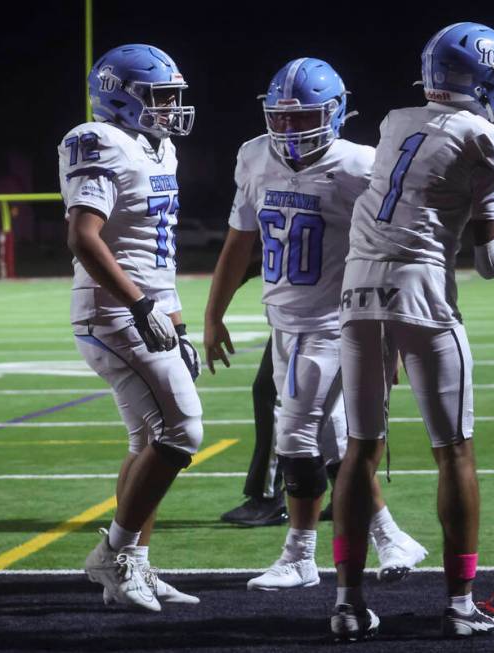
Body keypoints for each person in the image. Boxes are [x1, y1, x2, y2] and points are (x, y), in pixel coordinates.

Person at [330, 23, 494, 641]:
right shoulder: (491, 139)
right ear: (482, 79)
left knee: (359, 449)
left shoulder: (394, 120)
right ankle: (460, 604)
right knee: (454, 451)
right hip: (420, 290)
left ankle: (346, 604)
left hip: (357, 288)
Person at [204, 57, 427, 593]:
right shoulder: (255, 156)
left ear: (335, 113)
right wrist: (214, 313)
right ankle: (391, 535)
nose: (288, 128)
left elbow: (392, 252)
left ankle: (299, 556)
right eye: (279, 117)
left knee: (295, 437)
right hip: (284, 321)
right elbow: (240, 240)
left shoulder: (362, 165)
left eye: (302, 117)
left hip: (336, 322)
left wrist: (389, 333)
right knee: (329, 444)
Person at [61, 44, 201, 611]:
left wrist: (177, 321)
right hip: (112, 311)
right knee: (184, 431)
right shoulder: (97, 141)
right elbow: (83, 237)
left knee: (148, 439)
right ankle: (114, 555)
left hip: (144, 304)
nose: (170, 108)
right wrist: (141, 306)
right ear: (120, 96)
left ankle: (135, 565)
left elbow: (155, 254)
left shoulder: (158, 147)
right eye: (159, 96)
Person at [219, 335, 289, 528]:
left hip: (303, 319)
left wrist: (214, 317)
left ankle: (268, 498)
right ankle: (348, 491)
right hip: (322, 319)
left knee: (271, 393)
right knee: (331, 405)